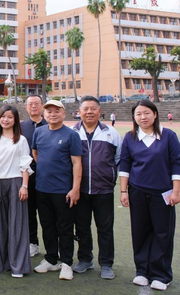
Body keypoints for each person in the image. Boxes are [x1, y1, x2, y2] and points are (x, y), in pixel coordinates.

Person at [119, 100, 180, 291]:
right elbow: (125, 164)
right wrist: (123, 191)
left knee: (163, 233)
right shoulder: (130, 137)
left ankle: (161, 275)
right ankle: (142, 271)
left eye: (146, 113)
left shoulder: (168, 136)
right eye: (138, 114)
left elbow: (176, 163)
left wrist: (176, 191)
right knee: (140, 232)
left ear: (155, 114)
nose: (143, 117)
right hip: (137, 191)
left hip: (163, 193)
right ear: (134, 117)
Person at [71, 96, 123, 280]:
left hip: (104, 190)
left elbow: (119, 159)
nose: (89, 112)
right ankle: (85, 259)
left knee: (105, 228)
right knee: (82, 227)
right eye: (85, 109)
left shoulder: (111, 133)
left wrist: (110, 176)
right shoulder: (72, 132)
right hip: (80, 190)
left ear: (100, 111)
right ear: (79, 112)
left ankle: (106, 264)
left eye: (93, 108)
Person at [32, 100, 82, 281]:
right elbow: (36, 154)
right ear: (44, 114)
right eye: (49, 111)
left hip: (63, 190)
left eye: (56, 111)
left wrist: (75, 188)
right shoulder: (39, 132)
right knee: (47, 226)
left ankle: (66, 263)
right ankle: (51, 259)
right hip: (42, 188)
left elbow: (77, 163)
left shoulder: (71, 135)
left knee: (65, 227)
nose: (52, 114)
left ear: (64, 113)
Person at [0, 105, 32, 278]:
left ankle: (18, 266)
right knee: (0, 225)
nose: (6, 120)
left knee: (17, 225)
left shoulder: (21, 140)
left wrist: (24, 185)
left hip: (16, 183)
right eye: (3, 116)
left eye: (10, 117)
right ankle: (2, 263)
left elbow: (25, 164)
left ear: (15, 120)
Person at [20, 94, 47, 258]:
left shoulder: (50, 124)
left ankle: (52, 246)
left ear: (42, 105)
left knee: (46, 212)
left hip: (46, 175)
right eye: (30, 104)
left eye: (37, 103)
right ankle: (32, 242)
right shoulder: (21, 127)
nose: (34, 106)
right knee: (29, 211)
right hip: (26, 175)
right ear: (26, 107)